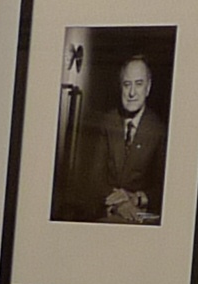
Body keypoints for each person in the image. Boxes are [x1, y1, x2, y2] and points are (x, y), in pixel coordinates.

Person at [51, 43, 167, 224]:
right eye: (127, 84)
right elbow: (94, 179)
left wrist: (137, 198)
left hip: (139, 217)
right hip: (106, 211)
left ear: (148, 87)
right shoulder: (107, 122)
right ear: (120, 87)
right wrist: (119, 203)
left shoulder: (158, 130)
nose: (132, 93)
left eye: (139, 84)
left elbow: (164, 187)